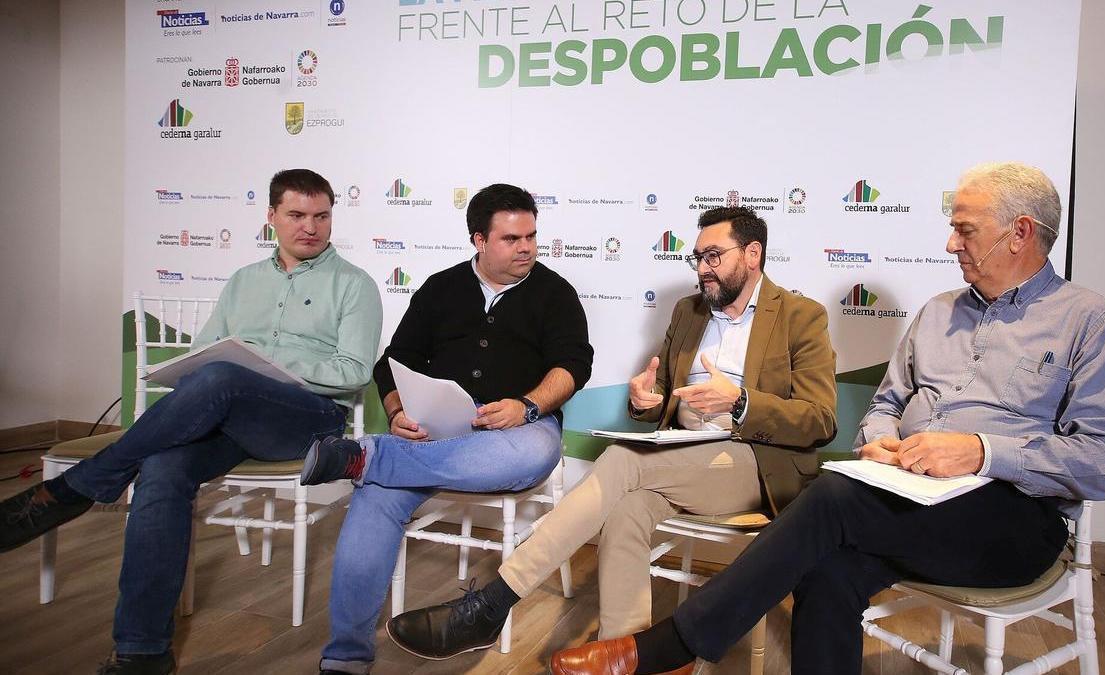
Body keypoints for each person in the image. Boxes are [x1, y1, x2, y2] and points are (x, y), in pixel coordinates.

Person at [547, 162, 1105, 675]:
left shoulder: (1089, 322)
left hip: (1015, 517)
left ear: (1020, 233)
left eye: (964, 229)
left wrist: (983, 452)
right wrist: (883, 444)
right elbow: (884, 407)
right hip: (909, 499)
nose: (950, 244)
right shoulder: (938, 314)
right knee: (828, 569)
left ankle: (665, 648)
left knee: (834, 498)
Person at [386, 206, 838, 665]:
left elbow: (820, 420)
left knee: (622, 460)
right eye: (697, 257)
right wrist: (648, 401)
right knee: (627, 510)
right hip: (684, 452)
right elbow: (662, 393)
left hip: (754, 460)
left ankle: (492, 604)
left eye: (714, 256)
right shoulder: (689, 311)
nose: (703, 269)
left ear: (753, 254)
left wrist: (739, 402)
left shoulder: (801, 316)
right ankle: (630, 655)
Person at [0, 169, 383, 675]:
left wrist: (267, 370)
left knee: (225, 375)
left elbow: (353, 372)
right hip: (230, 415)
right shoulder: (243, 281)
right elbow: (204, 355)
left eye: (321, 216)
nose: (310, 227)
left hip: (305, 418)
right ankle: (142, 651)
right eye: (296, 215)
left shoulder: (355, 284)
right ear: (271, 217)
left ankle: (81, 484)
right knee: (161, 469)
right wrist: (213, 371)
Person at [306, 183, 594, 675]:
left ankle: (369, 455)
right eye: (511, 239)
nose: (526, 247)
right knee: (376, 494)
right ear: (479, 240)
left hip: (519, 429)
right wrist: (397, 413)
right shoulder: (441, 287)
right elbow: (393, 362)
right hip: (437, 431)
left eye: (531, 236)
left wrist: (526, 406)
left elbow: (573, 366)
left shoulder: (555, 292)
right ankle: (346, 657)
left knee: (520, 456)